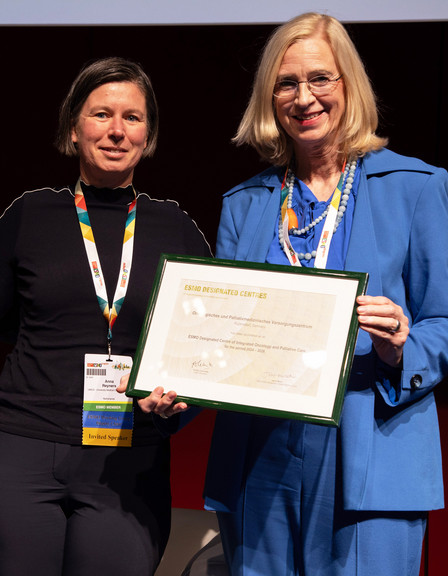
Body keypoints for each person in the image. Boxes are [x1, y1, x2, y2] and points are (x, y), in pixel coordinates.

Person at [129, 12, 448, 576]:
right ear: (268, 97)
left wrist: (403, 346)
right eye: (287, 83)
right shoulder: (245, 204)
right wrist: (176, 393)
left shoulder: (416, 189)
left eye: (320, 79)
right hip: (260, 460)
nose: (305, 97)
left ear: (349, 85)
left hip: (369, 447)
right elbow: (223, 336)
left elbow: (442, 321)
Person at [0, 57, 211, 576]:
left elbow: (205, 346)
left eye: (133, 117)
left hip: (128, 459)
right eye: (101, 114)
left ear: (149, 134)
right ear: (73, 128)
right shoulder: (30, 214)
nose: (117, 131)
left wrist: (177, 404)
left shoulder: (176, 228)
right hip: (22, 452)